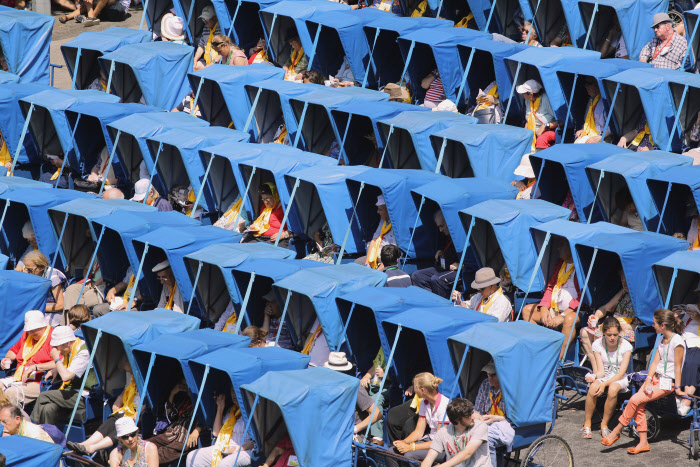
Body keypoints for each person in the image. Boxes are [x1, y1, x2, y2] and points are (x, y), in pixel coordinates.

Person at [601, 309, 685, 454]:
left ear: (663, 325)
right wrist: (648, 380)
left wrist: (677, 387)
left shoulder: (677, 342)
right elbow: (654, 363)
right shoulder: (660, 338)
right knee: (638, 405)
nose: (653, 325)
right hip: (656, 378)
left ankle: (616, 431)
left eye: (654, 323)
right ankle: (643, 442)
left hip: (667, 382)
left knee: (634, 400)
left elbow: (678, 367)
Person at [67, 355, 141, 456]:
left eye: (130, 370)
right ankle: (85, 444)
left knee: (121, 427)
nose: (129, 373)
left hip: (138, 412)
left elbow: (148, 401)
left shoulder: (144, 377)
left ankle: (92, 448)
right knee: (112, 419)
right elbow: (127, 387)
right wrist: (119, 399)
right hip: (128, 408)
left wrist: (139, 411)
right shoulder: (132, 375)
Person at [522, 239, 581, 359]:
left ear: (570, 248)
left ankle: (558, 359)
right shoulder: (560, 263)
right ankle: (538, 349)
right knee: (527, 310)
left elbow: (582, 296)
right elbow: (550, 286)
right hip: (555, 308)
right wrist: (544, 307)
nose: (558, 248)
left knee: (569, 319)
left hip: (573, 312)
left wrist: (562, 316)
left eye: (562, 245)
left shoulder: (580, 267)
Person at [30, 326, 96, 426]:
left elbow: (66, 376)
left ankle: (32, 428)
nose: (54, 350)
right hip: (71, 391)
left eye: (56, 347)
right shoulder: (69, 350)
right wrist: (56, 367)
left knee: (44, 395)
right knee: (48, 408)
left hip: (85, 396)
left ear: (68, 343)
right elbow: (66, 364)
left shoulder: (84, 352)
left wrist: (56, 359)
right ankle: (48, 436)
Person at [581, 317, 633, 440]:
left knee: (613, 389)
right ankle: (587, 423)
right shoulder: (597, 344)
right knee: (593, 387)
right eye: (609, 335)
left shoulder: (626, 346)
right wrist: (594, 376)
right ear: (603, 333)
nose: (612, 338)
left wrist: (604, 385)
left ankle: (604, 424)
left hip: (619, 377)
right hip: (606, 375)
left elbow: (621, 373)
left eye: (615, 334)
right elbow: (601, 371)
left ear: (620, 333)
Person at [581, 269, 638, 372]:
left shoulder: (640, 296)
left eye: (627, 282)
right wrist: (596, 316)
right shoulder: (623, 292)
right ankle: (597, 369)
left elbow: (645, 323)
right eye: (622, 281)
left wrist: (628, 327)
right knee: (585, 332)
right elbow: (606, 308)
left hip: (629, 329)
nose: (624, 284)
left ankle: (608, 369)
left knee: (600, 335)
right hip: (613, 324)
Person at [186, 387, 254, 467]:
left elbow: (256, 441)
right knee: (192, 456)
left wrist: (238, 449)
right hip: (225, 447)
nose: (234, 394)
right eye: (232, 391)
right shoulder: (231, 411)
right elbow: (216, 433)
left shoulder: (252, 412)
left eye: (237, 391)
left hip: (246, 449)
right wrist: (220, 407)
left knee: (224, 464)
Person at [324, 352, 383, 444]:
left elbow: (377, 414)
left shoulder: (355, 387)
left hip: (353, 435)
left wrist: (355, 429)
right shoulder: (328, 386)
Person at [391, 372, 449, 463]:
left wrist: (411, 447)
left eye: (415, 387)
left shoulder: (444, 406)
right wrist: (403, 442)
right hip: (430, 440)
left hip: (442, 447)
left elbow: (439, 441)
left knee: (409, 455)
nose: (414, 390)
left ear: (423, 390)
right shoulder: (424, 403)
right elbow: (418, 432)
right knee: (392, 451)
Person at [0, 310, 54, 407]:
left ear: (43, 326)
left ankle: (12, 420)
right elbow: (13, 350)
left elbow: (60, 361)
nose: (31, 332)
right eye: (29, 330)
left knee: (11, 393)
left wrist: (36, 367)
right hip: (19, 377)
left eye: (34, 330)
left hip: (38, 382)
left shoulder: (53, 336)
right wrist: (7, 358)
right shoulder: (27, 335)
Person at [421, 398, 491, 467]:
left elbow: (468, 453)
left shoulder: (480, 426)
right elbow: (428, 459)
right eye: (468, 416)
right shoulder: (443, 433)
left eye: (472, 413)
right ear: (457, 419)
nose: (473, 417)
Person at [147, 379, 202, 465]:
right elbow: (169, 416)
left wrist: (197, 430)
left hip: (184, 438)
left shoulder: (201, 405)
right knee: (145, 445)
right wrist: (172, 394)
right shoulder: (184, 402)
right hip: (171, 433)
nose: (185, 387)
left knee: (158, 455)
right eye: (183, 385)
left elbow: (207, 422)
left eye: (187, 385)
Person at [471, 362, 515, 467]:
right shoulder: (485, 384)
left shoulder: (510, 388)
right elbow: (478, 408)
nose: (489, 377)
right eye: (487, 373)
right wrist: (477, 416)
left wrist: (495, 418)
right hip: (488, 423)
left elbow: (515, 417)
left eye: (493, 374)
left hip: (507, 425)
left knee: (485, 438)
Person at [411, 210, 459, 298]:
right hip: (445, 267)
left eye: (442, 226)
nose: (441, 230)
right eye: (439, 227)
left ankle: (442, 306)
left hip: (458, 271)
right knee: (417, 275)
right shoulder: (445, 236)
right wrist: (441, 251)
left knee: (436, 279)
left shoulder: (460, 236)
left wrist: (461, 265)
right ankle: (429, 300)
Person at [20, 251, 66, 326]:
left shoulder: (52, 277)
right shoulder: (33, 275)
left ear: (41, 267)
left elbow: (61, 305)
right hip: (41, 308)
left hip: (54, 312)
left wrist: (37, 308)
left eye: (30, 270)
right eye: (26, 268)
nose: (27, 272)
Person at [674, 286, 700, 416]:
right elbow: (680, 330)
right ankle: (677, 395)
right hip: (683, 342)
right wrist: (677, 318)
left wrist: (698, 319)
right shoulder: (693, 308)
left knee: (691, 362)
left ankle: (686, 401)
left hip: (697, 343)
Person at [240, 183, 290, 248]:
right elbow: (262, 222)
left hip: (277, 240)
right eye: (263, 199)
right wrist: (255, 226)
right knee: (245, 245)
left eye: (267, 199)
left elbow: (297, 232)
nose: (265, 202)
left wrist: (284, 235)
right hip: (260, 237)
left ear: (275, 195)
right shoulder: (266, 207)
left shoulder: (285, 209)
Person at [356, 195, 397, 269]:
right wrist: (367, 264)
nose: (377, 212)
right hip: (377, 257)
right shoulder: (383, 221)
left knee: (380, 273)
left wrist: (377, 272)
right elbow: (374, 240)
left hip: (388, 261)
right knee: (357, 263)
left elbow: (391, 256)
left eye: (380, 210)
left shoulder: (395, 226)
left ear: (388, 210)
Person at [517, 79, 558, 152]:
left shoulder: (546, 100)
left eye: (524, 93)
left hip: (549, 130)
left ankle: (539, 161)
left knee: (541, 140)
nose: (522, 95)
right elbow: (528, 120)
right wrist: (524, 133)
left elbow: (561, 121)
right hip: (532, 130)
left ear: (531, 94)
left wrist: (545, 125)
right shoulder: (527, 100)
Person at [574, 77, 608, 144]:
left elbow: (612, 128)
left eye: (589, 84)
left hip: (604, 136)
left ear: (597, 85)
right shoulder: (591, 100)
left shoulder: (605, 102)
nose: (586, 86)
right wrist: (582, 130)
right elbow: (587, 121)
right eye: (585, 84)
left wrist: (600, 137)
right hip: (590, 134)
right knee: (576, 144)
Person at [194, 6, 221, 71]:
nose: (205, 21)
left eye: (207, 19)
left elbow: (223, 51)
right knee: (193, 67)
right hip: (207, 60)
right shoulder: (206, 28)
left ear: (215, 17)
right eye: (203, 19)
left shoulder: (221, 29)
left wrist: (213, 63)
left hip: (218, 62)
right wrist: (195, 60)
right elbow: (201, 46)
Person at [58, 0, 129, 25]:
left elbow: (111, 1)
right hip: (105, 10)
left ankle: (92, 17)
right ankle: (67, 17)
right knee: (86, 2)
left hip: (118, 10)